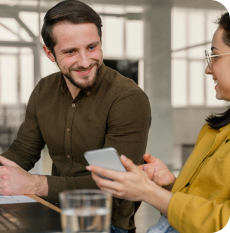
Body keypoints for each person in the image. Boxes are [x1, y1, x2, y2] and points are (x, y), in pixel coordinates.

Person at [0, 1, 151, 232]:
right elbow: (22, 152)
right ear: (49, 53)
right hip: (52, 211)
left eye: (92, 47)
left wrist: (34, 183)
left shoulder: (127, 98)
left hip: (105, 223)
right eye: (70, 51)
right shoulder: (44, 90)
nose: (85, 61)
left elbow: (117, 185)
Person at [87, 11, 230, 233]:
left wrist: (147, 192)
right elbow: (200, 204)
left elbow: (220, 221)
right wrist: (170, 184)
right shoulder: (212, 131)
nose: (208, 68)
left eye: (215, 57)